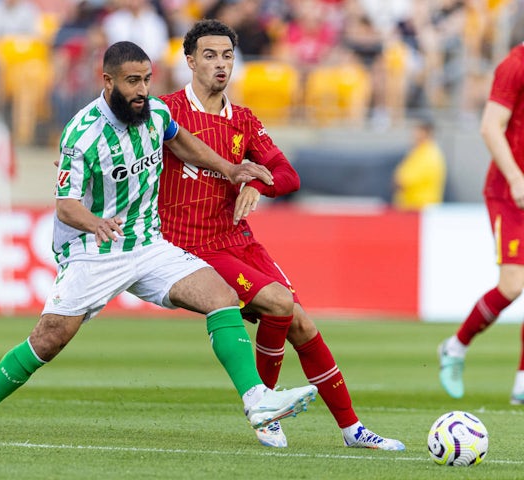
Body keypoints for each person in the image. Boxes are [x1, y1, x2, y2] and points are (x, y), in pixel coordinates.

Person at [0, 40, 318, 441]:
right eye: (132, 82)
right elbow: (65, 206)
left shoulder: (156, 112)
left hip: (147, 244)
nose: (142, 90)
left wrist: (229, 168)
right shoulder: (82, 133)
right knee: (49, 340)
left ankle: (256, 399)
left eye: (147, 80)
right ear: (107, 81)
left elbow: (180, 140)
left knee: (221, 296)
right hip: (95, 252)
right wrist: (95, 223)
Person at [158, 19, 405, 450]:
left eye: (228, 56)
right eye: (210, 55)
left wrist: (256, 184)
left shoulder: (244, 121)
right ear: (190, 60)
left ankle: (352, 429)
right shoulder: (166, 112)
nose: (220, 64)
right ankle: (265, 410)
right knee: (279, 301)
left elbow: (288, 175)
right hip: (189, 244)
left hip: (237, 239)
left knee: (302, 324)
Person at [438, 41, 524, 404]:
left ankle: (522, 380)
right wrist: (516, 177)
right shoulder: (514, 65)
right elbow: (491, 126)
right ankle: (455, 346)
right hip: (510, 191)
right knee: (514, 283)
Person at [392, 115, 447, 210]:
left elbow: (402, 182)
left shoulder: (428, 155)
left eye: (418, 130)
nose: (414, 134)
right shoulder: (417, 152)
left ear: (426, 132)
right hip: (412, 208)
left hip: (420, 210)